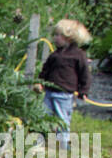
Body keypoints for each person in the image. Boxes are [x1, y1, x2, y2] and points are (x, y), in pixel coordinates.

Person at [33, 19, 92, 147]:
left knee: (62, 118)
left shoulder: (78, 55)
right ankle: (39, 140)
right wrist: (40, 82)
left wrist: (83, 91)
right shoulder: (54, 55)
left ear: (68, 38)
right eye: (55, 35)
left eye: (58, 35)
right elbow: (45, 70)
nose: (55, 38)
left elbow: (85, 74)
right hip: (49, 92)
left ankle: (63, 143)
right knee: (43, 116)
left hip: (64, 95)